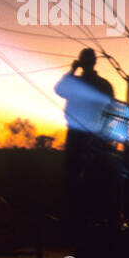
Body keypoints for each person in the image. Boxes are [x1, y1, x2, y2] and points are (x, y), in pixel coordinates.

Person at [54, 48, 115, 238]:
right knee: (86, 179)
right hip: (93, 136)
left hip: (86, 136)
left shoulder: (82, 83)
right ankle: (85, 224)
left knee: (78, 178)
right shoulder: (103, 84)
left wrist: (72, 71)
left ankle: (77, 224)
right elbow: (111, 111)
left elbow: (59, 89)